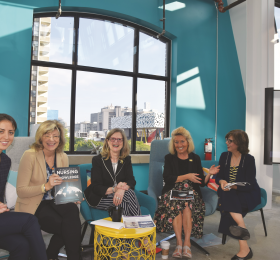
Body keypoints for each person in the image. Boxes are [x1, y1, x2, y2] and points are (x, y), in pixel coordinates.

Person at [15, 120, 82, 260]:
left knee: (73, 210)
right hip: (35, 203)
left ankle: (55, 255)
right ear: (40, 137)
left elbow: (64, 185)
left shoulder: (63, 156)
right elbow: (21, 191)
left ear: (60, 138)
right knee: (69, 228)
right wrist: (45, 186)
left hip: (57, 200)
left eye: (55, 136)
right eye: (47, 135)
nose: (52, 140)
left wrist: (72, 195)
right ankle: (55, 254)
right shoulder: (30, 155)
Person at [154, 127, 219, 258]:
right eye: (176, 142)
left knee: (187, 205)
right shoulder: (169, 158)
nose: (179, 145)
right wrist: (187, 176)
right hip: (172, 191)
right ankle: (179, 243)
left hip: (191, 193)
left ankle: (186, 243)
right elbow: (167, 178)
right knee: (177, 204)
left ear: (188, 142)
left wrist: (209, 175)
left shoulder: (195, 158)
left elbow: (200, 182)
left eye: (182, 141)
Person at [0, 113, 47, 260]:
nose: (6, 137)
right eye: (1, 131)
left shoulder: (5, 161)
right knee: (29, 220)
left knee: (21, 245)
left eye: (11, 132)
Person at [215, 130, 261, 260]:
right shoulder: (224, 156)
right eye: (227, 140)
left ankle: (244, 246)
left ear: (239, 143)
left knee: (227, 202)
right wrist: (222, 181)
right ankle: (244, 244)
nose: (227, 143)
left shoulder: (249, 159)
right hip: (229, 192)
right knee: (227, 195)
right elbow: (219, 177)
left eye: (230, 141)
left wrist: (233, 186)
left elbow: (250, 184)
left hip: (247, 193)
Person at [84, 128, 141, 216]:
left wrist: (121, 190)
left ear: (123, 142)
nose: (116, 142)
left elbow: (131, 181)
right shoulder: (97, 160)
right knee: (128, 194)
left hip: (121, 195)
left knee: (123, 200)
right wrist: (115, 189)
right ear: (107, 141)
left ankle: (126, 227)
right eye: (113, 139)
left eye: (119, 139)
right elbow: (96, 187)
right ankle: (139, 223)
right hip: (100, 197)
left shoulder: (126, 159)